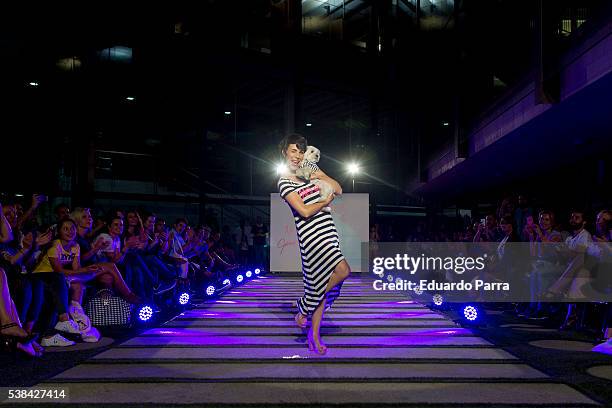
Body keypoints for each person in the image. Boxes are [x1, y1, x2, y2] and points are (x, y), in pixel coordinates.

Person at [277, 133, 351, 355]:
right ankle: (304, 306)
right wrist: (325, 201)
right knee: (343, 270)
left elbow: (339, 189)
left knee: (319, 288)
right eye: (293, 151)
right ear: (284, 153)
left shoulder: (310, 173)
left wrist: (318, 174)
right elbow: (305, 211)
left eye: (301, 151)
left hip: (328, 231)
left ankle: (313, 334)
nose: (297, 155)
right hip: (311, 238)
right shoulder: (284, 181)